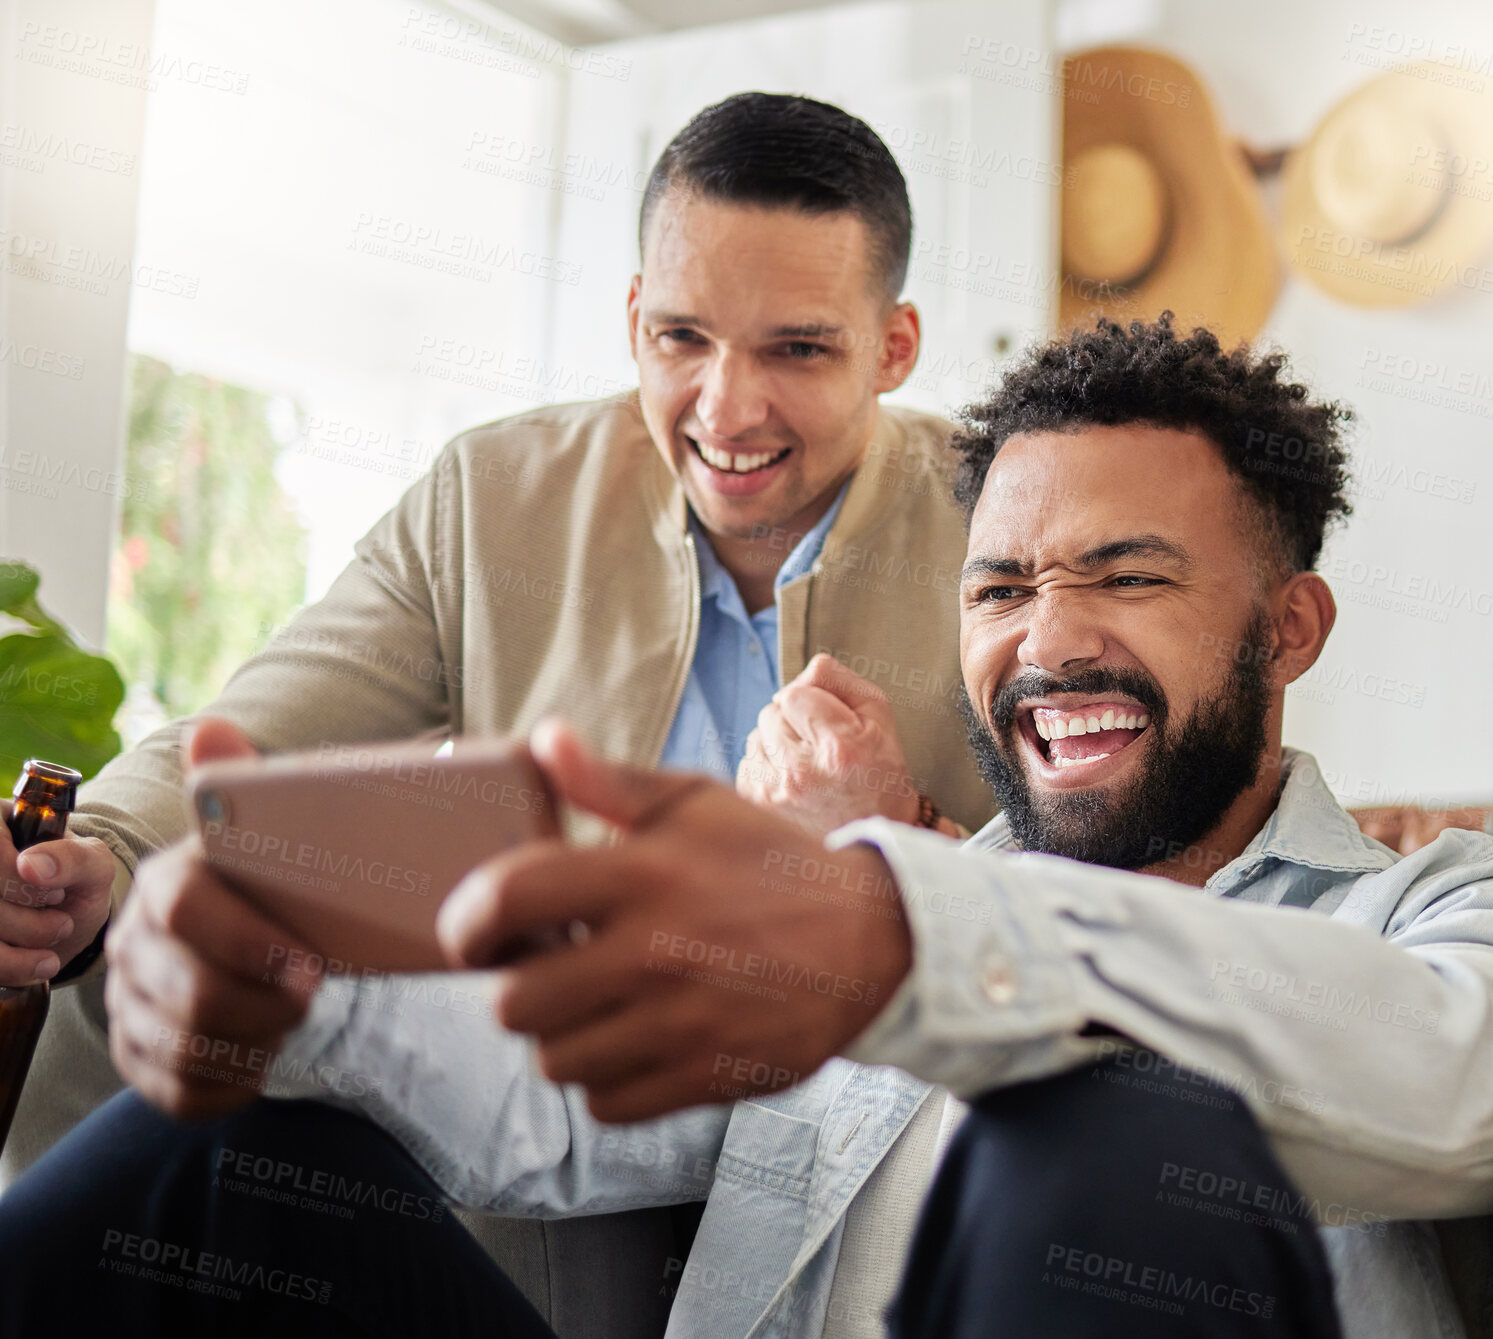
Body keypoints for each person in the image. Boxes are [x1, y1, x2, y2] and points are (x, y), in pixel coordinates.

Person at [7, 316, 1492, 1339]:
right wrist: (274, 990)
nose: (1051, 641)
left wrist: (896, 929)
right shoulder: (851, 908)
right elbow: (537, 1093)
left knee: (1109, 1132)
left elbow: (1435, 1075)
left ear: (1288, 626)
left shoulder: (1434, 915)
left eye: (1128, 577)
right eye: (1001, 588)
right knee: (212, 1147)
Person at [0, 93, 995, 1333]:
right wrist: (102, 860)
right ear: (633, 317)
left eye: (796, 349)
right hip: (515, 1260)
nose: (725, 409)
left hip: (855, 1271)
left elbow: (1111, 911)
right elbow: (254, 732)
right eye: (681, 337)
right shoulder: (493, 499)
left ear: (891, 347)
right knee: (220, 1151)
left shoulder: (1002, 532)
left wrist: (897, 832)